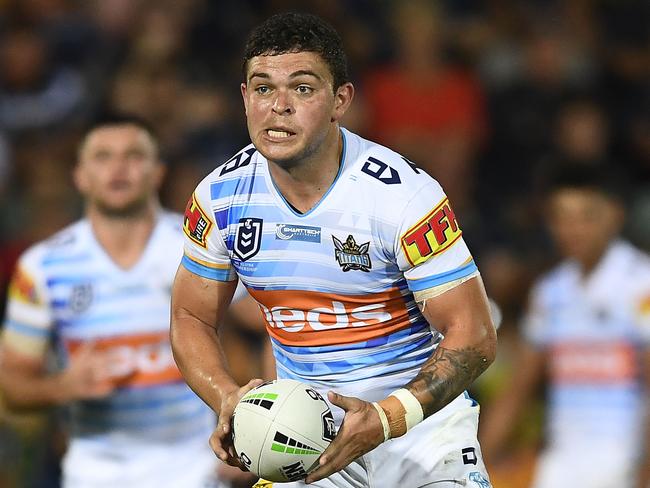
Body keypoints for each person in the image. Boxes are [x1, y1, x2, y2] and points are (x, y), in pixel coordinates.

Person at [171, 12, 496, 488]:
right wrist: (226, 398)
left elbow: (474, 336)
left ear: (340, 100)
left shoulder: (402, 197)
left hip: (418, 434)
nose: (278, 106)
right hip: (302, 438)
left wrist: (384, 419)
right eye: (262, 89)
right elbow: (190, 318)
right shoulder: (220, 197)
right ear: (244, 99)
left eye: (302, 88)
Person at [0, 114, 230, 488]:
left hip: (194, 471)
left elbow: (273, 324)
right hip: (93, 475)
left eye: (134, 156)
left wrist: (251, 430)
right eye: (103, 157)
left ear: (158, 173)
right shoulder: (42, 267)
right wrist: (62, 386)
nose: (119, 168)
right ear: (80, 175)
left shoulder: (198, 248)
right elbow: (11, 387)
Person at [480, 166, 650, 488]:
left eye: (586, 216)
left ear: (614, 215)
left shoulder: (641, 284)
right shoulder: (550, 291)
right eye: (561, 217)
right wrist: (477, 468)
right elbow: (518, 388)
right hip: (561, 466)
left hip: (625, 463)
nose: (572, 230)